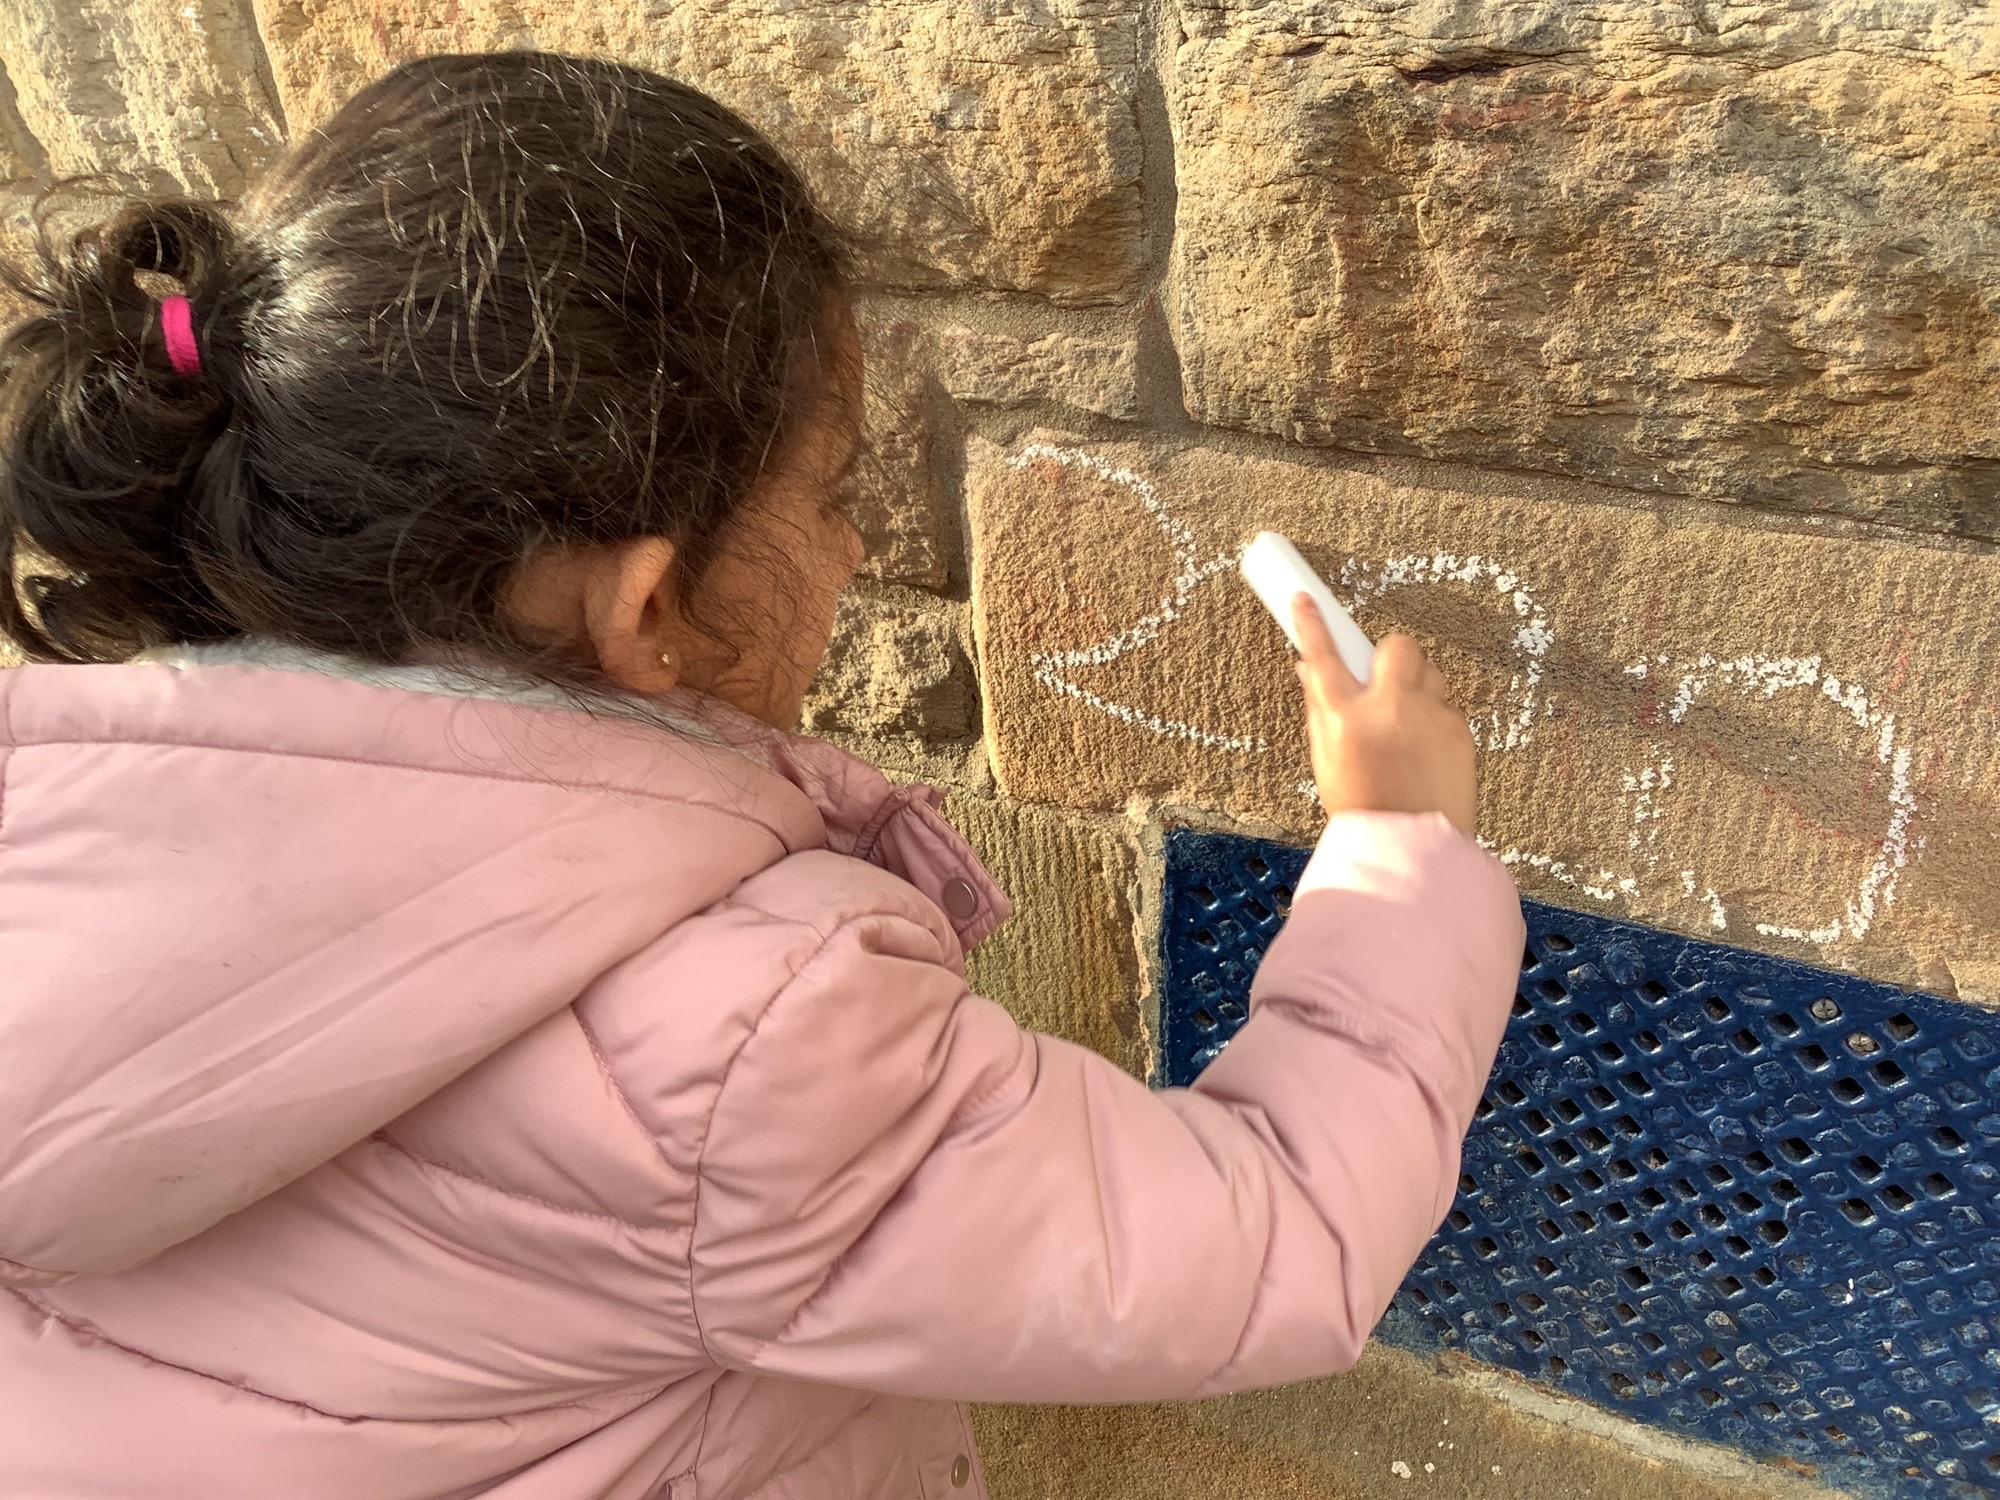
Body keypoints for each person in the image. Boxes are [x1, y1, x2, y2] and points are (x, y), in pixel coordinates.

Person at [0, 52, 1523, 1500]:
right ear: (649, 606)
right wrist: (1397, 847)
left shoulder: (62, 824)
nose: (854, 544)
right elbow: (1269, 1237)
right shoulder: (729, 1048)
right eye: (832, 487)